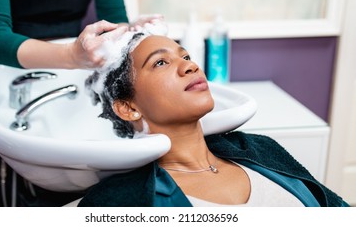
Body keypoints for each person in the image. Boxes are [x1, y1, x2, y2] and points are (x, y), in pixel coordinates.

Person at [0, 0, 160, 206]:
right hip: (1, 82)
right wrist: (71, 56)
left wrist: (130, 31)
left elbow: (114, 20)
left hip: (71, 81)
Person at [79, 23, 350, 207]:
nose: (189, 66)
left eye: (185, 56)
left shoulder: (260, 149)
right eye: (161, 62)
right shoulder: (121, 201)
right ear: (128, 107)